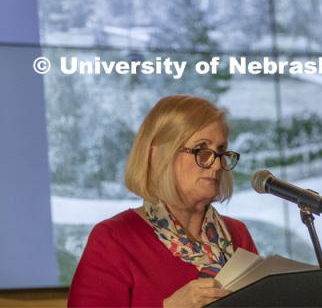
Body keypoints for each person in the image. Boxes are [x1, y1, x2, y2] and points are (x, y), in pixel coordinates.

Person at [68, 95, 257, 308]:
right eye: (202, 150)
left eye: (220, 151)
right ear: (159, 156)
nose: (215, 165)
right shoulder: (114, 238)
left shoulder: (237, 234)